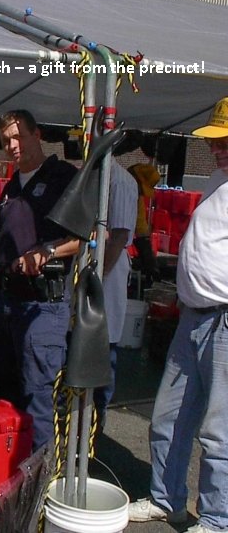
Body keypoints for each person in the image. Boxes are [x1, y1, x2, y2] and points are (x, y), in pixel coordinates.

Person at [128, 97, 228, 533]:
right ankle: (166, 499)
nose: (218, 148)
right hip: (195, 315)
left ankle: (218, 518)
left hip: (223, 319)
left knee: (220, 431)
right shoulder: (216, 178)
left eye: (224, 141)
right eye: (216, 141)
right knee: (168, 415)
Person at [0, 110, 79, 450]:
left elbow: (85, 236)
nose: (12, 146)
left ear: (38, 134)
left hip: (42, 306)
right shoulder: (11, 186)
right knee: (8, 397)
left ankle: (39, 487)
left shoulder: (64, 177)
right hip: (7, 305)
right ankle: (14, 471)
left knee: (37, 401)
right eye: (6, 141)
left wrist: (45, 252)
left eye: (18, 137)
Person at [93, 158, 138, 432]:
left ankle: (95, 430)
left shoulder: (120, 181)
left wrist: (98, 279)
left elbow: (119, 236)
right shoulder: (91, 175)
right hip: (89, 266)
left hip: (107, 271)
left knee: (102, 349)